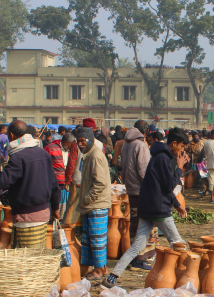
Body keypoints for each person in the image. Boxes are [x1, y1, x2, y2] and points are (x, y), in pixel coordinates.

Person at [107, 128, 190, 286]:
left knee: (137, 246)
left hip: (147, 208)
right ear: (174, 143)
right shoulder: (163, 159)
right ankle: (188, 279)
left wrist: (177, 205)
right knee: (178, 243)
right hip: (159, 210)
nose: (182, 150)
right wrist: (179, 168)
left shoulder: (157, 157)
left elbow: (161, 187)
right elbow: (168, 186)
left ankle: (112, 276)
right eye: (182, 146)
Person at [0, 120, 60, 249]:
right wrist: (55, 208)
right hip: (43, 213)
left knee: (29, 260)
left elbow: (0, 181)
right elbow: (54, 184)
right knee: (35, 256)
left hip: (27, 217)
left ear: (11, 135)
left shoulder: (18, 157)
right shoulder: (43, 153)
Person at [72, 126, 112, 281]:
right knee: (91, 238)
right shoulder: (89, 155)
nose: (80, 144)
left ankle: (99, 270)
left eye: (83, 141)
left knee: (97, 239)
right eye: (78, 141)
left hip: (97, 204)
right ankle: (100, 268)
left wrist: (87, 198)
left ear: (90, 140)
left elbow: (100, 183)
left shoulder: (95, 156)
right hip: (92, 205)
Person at [121, 120, 152, 269]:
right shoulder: (140, 145)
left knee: (134, 223)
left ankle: (133, 257)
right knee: (143, 225)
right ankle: (139, 257)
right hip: (141, 190)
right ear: (145, 132)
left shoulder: (126, 144)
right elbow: (143, 170)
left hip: (130, 189)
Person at [44, 131, 68, 215]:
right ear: (65, 142)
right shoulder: (50, 147)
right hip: (53, 182)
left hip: (64, 184)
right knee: (52, 205)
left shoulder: (70, 150)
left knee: (62, 209)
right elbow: (44, 164)